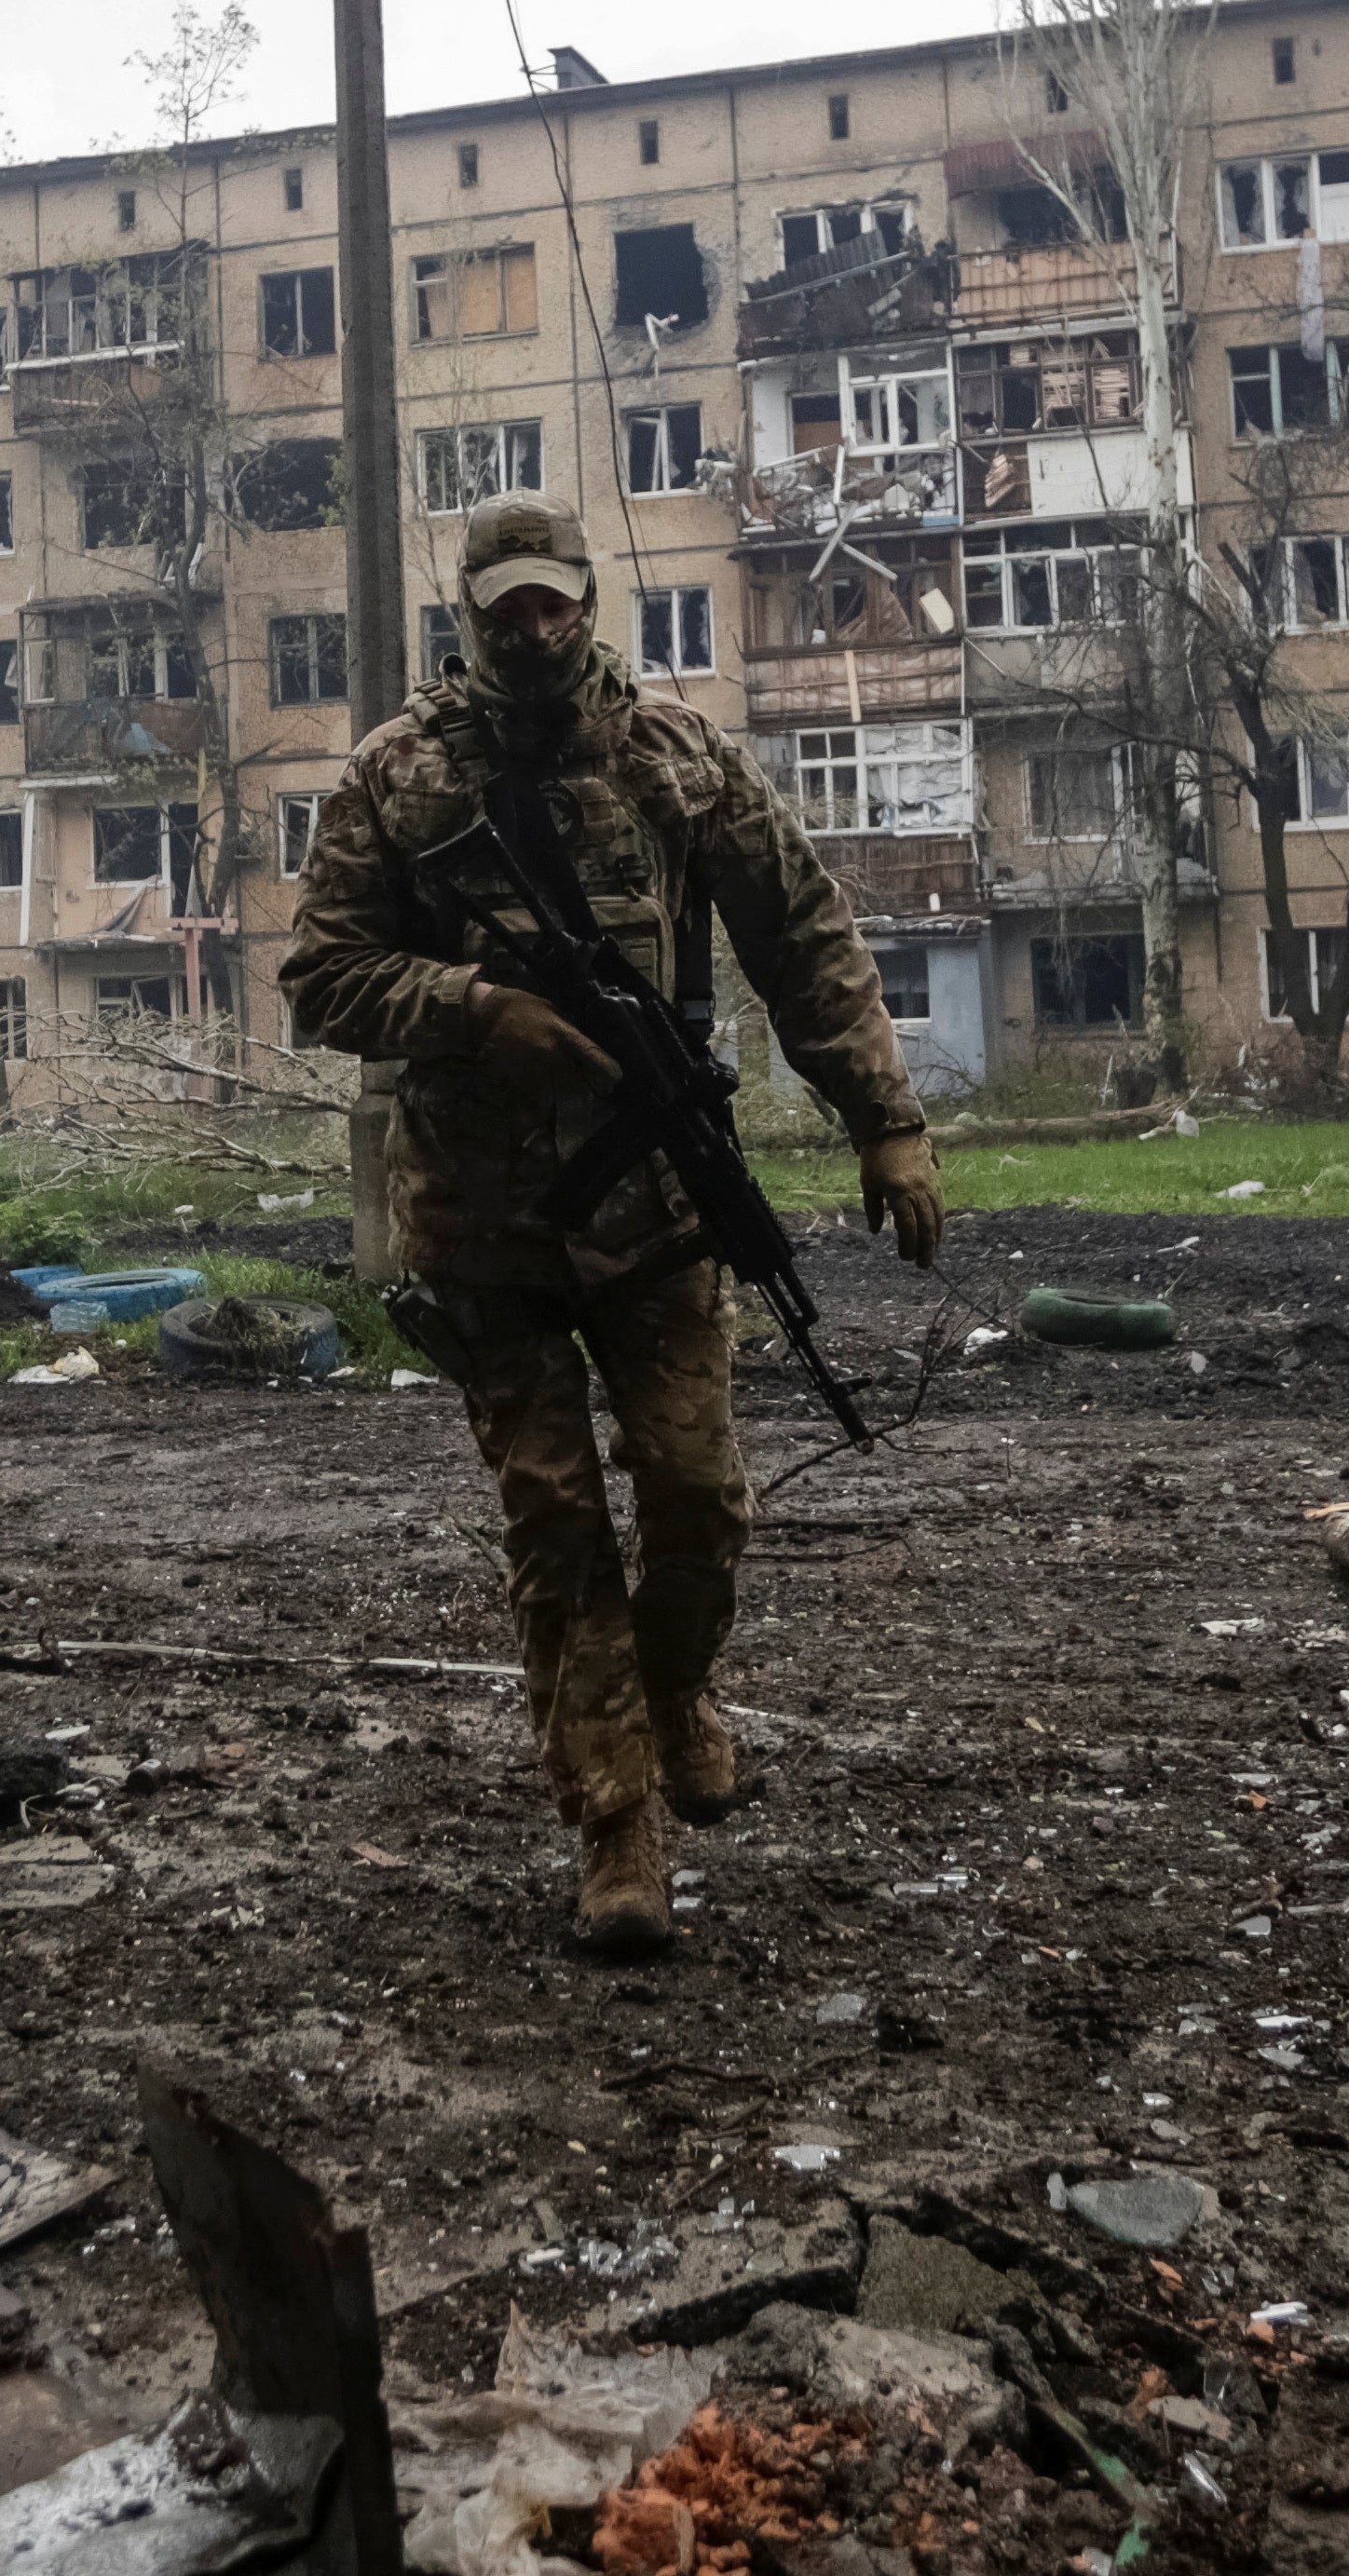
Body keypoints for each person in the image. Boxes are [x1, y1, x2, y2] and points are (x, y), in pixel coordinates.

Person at [279, 492, 942, 1957]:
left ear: (590, 600)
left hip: (654, 1209)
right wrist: (470, 1008)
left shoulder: (678, 762)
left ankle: (676, 1686)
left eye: (555, 602)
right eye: (506, 606)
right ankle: (618, 1823)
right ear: (471, 611)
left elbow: (807, 941)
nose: (534, 629)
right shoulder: (398, 778)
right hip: (481, 1223)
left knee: (700, 1498)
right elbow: (320, 977)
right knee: (558, 1520)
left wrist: (885, 1122)